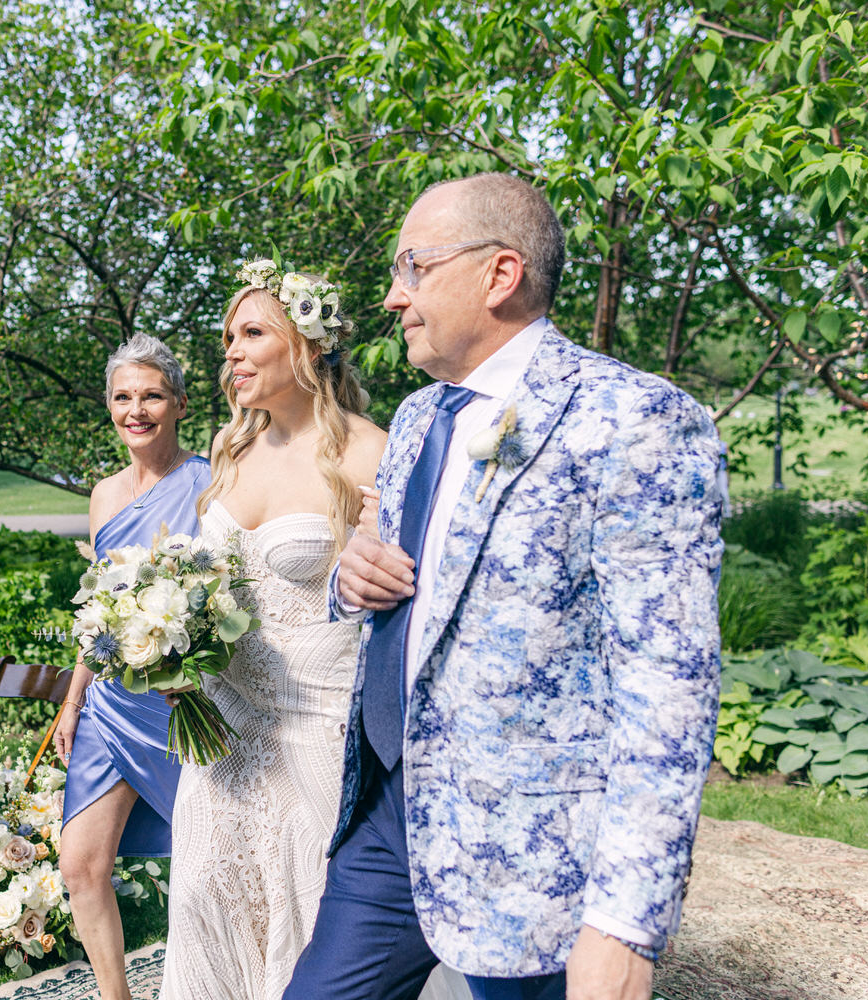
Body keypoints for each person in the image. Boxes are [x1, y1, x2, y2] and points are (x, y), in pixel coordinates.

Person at [283, 173, 723, 1000]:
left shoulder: (633, 419)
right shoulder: (418, 418)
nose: (391, 297)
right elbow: (399, 580)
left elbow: (670, 689)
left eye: (413, 267)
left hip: (532, 854)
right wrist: (352, 577)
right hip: (388, 810)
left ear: (500, 273)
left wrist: (626, 922)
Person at [159, 260, 388, 999]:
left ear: (310, 345)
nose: (231, 350)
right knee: (207, 901)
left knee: (314, 918)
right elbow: (208, 588)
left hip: (314, 731)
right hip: (221, 734)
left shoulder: (369, 452)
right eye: (228, 336)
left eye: (252, 332)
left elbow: (398, 596)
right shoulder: (230, 452)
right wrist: (167, 648)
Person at [52, 333, 211, 1000]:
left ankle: (211, 979)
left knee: (204, 864)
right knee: (81, 863)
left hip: (183, 701)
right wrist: (72, 699)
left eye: (151, 395)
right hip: (111, 698)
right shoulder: (103, 495)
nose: (135, 409)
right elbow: (100, 608)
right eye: (123, 397)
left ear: (178, 403)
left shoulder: (209, 481)